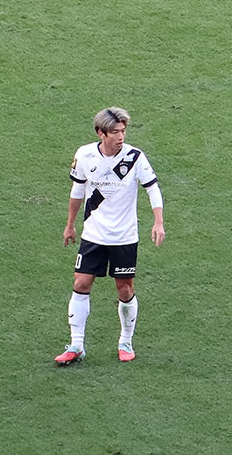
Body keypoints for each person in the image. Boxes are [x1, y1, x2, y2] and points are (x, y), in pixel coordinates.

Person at [56, 107, 165, 364]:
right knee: (81, 284)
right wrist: (70, 225)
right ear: (100, 133)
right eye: (115, 132)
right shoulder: (85, 155)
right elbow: (77, 191)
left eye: (123, 131)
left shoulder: (134, 157)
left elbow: (152, 188)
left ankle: (125, 341)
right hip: (93, 235)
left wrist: (158, 222)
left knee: (124, 288)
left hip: (124, 237)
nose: (121, 136)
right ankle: (76, 345)